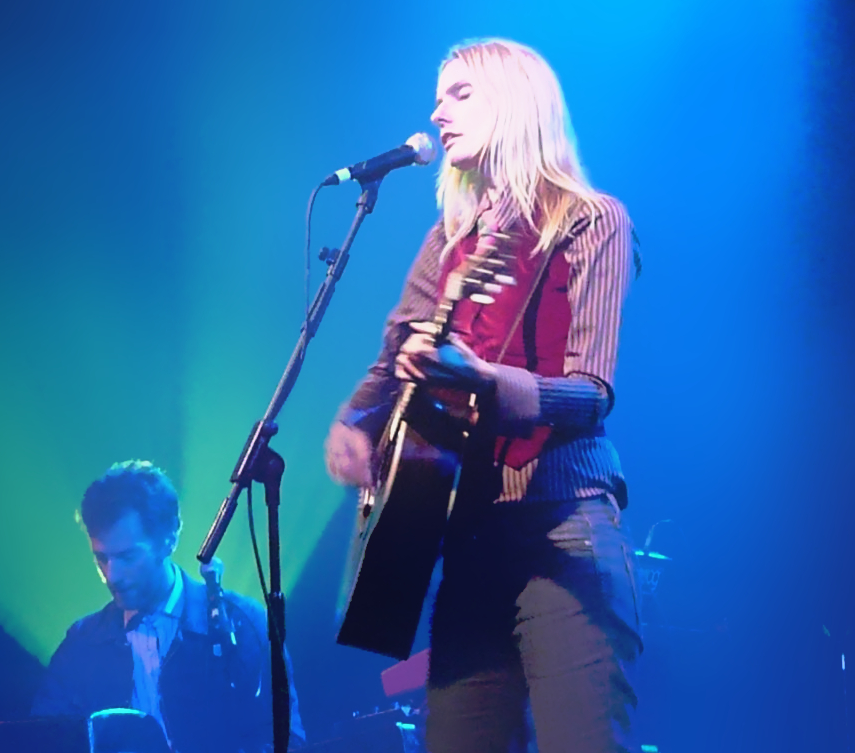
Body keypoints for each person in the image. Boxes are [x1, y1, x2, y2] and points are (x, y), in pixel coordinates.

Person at [325, 38, 643, 753]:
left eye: (459, 95)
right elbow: (388, 363)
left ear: (516, 103)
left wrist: (487, 383)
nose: (437, 114)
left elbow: (592, 394)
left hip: (563, 528)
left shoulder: (593, 221)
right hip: (464, 538)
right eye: (437, 97)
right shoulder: (447, 240)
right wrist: (354, 424)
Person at [32, 460, 306, 753]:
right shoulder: (81, 644)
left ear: (170, 537)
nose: (112, 576)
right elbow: (45, 740)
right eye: (101, 558)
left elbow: (286, 740)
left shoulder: (243, 623)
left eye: (127, 557)